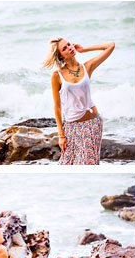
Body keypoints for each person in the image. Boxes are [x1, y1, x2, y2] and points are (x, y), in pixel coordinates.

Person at [45, 35, 115, 163]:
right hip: (71, 127)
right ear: (61, 56)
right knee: (67, 163)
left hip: (92, 124)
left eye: (69, 44)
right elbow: (57, 106)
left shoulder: (87, 67)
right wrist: (61, 135)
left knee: (89, 163)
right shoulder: (57, 75)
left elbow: (110, 46)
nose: (69, 48)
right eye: (64, 48)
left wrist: (85, 49)